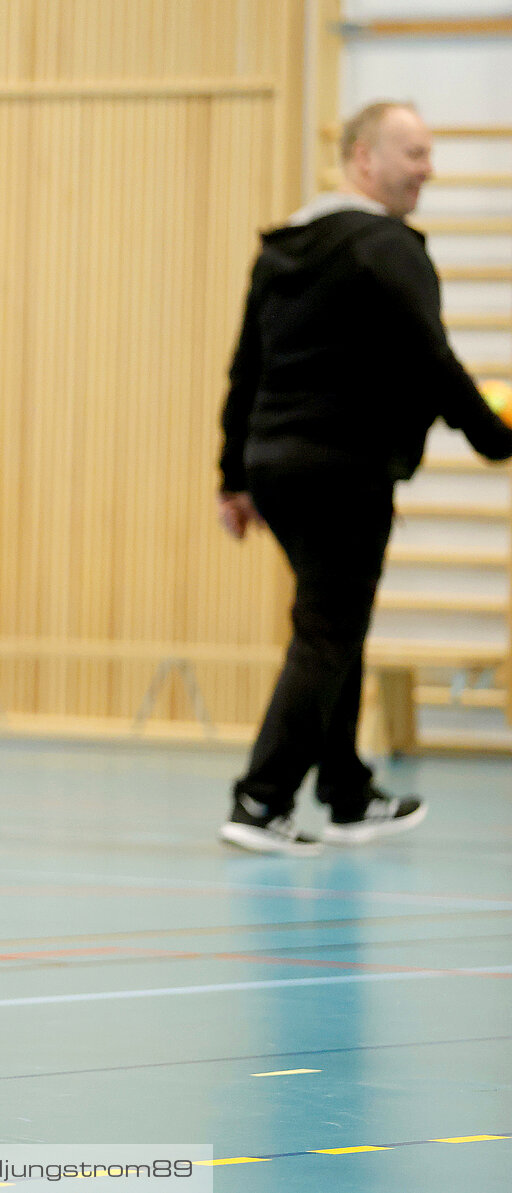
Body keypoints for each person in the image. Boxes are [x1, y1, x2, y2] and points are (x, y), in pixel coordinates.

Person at [216, 100, 512, 856]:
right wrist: (494, 437)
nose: (428, 169)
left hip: (275, 465)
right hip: (342, 468)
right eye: (413, 153)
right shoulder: (386, 247)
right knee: (327, 628)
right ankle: (261, 796)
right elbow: (432, 359)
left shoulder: (283, 245)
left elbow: (246, 367)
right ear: (362, 159)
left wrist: (233, 475)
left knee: (333, 619)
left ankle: (346, 790)